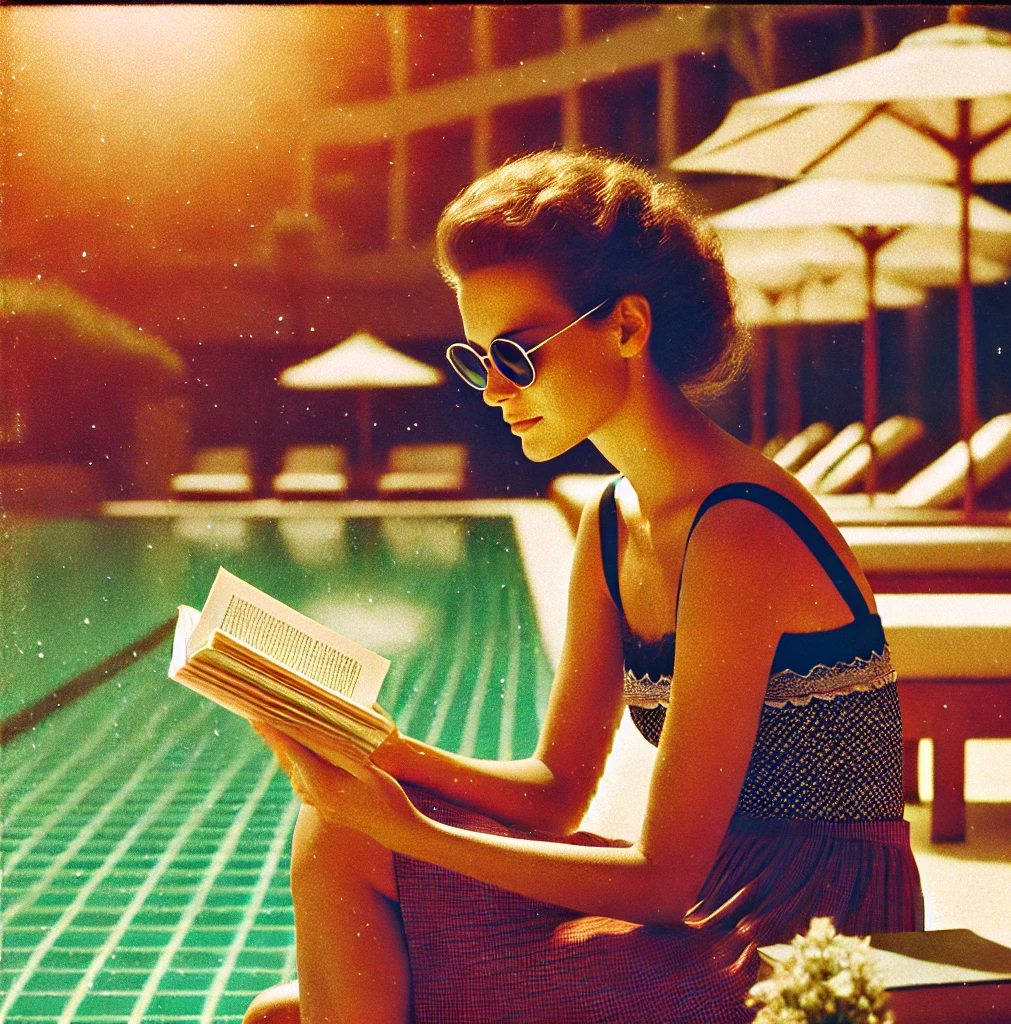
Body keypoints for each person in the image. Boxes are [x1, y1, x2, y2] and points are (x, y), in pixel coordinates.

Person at [243, 149, 923, 1024]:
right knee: (309, 920)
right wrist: (382, 752)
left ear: (627, 327)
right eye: (478, 359)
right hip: (710, 896)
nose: (494, 390)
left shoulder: (738, 529)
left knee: (330, 911)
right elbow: (556, 791)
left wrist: (405, 830)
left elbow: (658, 880)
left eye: (517, 354)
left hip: (806, 927)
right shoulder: (611, 523)